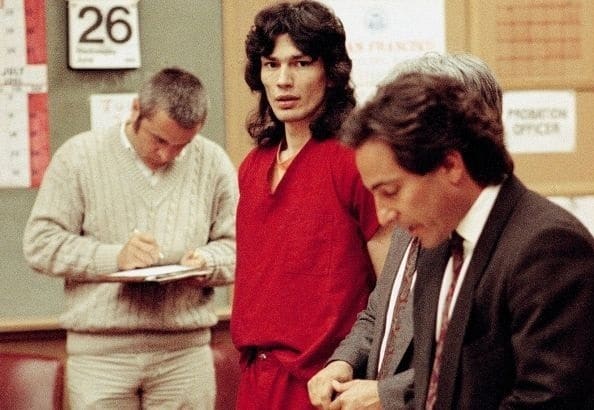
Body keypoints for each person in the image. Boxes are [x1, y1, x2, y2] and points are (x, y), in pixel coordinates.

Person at [338, 67, 594, 408]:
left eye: (391, 191)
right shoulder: (438, 243)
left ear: (450, 166)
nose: (383, 215)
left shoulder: (548, 247)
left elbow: (547, 401)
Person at [23, 67, 238, 409]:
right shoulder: (78, 157)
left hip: (184, 355)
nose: (167, 155)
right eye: (159, 140)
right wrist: (114, 258)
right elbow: (40, 243)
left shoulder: (213, 162)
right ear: (136, 110)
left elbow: (240, 248)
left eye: (182, 145)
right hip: (100, 357)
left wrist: (207, 262)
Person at [307, 52, 506, 410]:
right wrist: (343, 362)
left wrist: (387, 394)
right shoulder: (409, 210)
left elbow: (486, 368)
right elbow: (379, 312)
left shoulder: (503, 239)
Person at [230, 1, 391, 409]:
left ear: (330, 72)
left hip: (327, 383)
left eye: (300, 64)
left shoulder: (354, 160)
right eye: (271, 65)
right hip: (256, 380)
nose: (283, 80)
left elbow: (394, 292)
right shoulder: (253, 165)